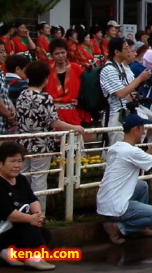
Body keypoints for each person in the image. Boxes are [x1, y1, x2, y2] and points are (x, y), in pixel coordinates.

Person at [15, 61, 85, 212]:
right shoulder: (45, 98)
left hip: (22, 143)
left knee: (23, 178)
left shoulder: (22, 95)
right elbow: (54, 122)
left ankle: (23, 212)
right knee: (39, 180)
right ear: (45, 79)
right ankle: (39, 214)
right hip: (41, 144)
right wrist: (75, 127)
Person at [97, 114, 152, 244]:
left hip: (105, 203)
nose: (144, 132)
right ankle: (120, 228)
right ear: (135, 129)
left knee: (142, 186)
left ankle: (139, 227)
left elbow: (142, 160)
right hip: (116, 208)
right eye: (143, 129)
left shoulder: (117, 147)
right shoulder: (131, 152)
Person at [0, 141, 55, 271]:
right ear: (1, 163)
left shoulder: (21, 179)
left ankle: (7, 253)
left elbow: (32, 199)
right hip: (3, 230)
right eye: (12, 161)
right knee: (27, 225)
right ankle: (34, 258)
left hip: (13, 229)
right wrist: (31, 219)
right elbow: (7, 213)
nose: (17, 165)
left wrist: (38, 214)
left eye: (19, 161)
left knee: (44, 233)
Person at [100, 37, 152, 145]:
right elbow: (120, 93)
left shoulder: (120, 67)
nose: (129, 51)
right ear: (117, 52)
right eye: (126, 48)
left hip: (125, 113)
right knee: (117, 150)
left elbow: (126, 91)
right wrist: (140, 79)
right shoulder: (109, 69)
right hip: (115, 116)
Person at [44, 39, 90, 127]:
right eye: (57, 54)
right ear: (51, 55)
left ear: (67, 52)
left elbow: (86, 87)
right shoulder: (47, 70)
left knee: (74, 139)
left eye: (63, 52)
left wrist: (80, 100)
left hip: (73, 112)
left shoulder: (76, 68)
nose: (60, 56)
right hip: (53, 114)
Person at [0, 43, 16, 135]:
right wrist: (9, 115)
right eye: (1, 52)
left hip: (4, 124)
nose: (4, 55)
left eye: (4, 51)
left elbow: (4, 95)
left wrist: (12, 110)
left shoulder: (1, 72)